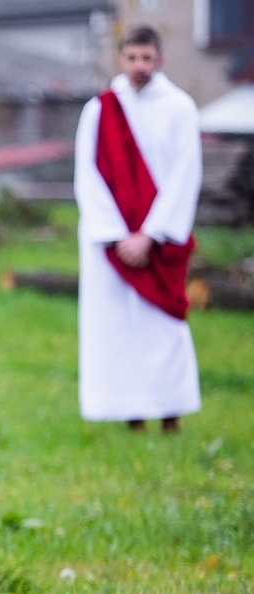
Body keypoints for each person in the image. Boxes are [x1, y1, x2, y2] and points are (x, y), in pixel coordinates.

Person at [74, 25, 202, 433]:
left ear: (159, 58)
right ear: (120, 58)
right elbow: (88, 175)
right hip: (111, 241)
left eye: (147, 58)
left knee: (162, 326)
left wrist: (151, 234)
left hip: (160, 241)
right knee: (116, 328)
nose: (139, 66)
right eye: (132, 58)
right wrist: (116, 235)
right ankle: (126, 411)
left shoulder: (180, 108)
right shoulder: (100, 109)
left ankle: (170, 412)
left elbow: (185, 176)